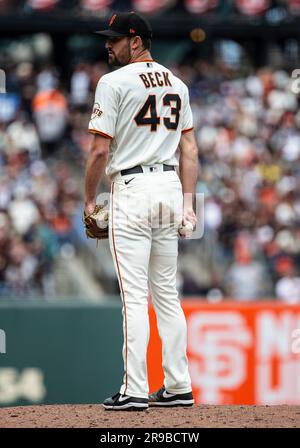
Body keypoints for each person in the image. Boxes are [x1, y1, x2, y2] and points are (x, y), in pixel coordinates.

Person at [84, 11, 198, 411]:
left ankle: (134, 390)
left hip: (132, 188)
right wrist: (188, 203)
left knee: (134, 295)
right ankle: (179, 385)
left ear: (136, 42)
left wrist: (88, 199)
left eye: (115, 39)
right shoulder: (178, 84)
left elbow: (99, 149)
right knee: (166, 293)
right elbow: (190, 149)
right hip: (169, 188)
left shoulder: (113, 82)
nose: (107, 45)